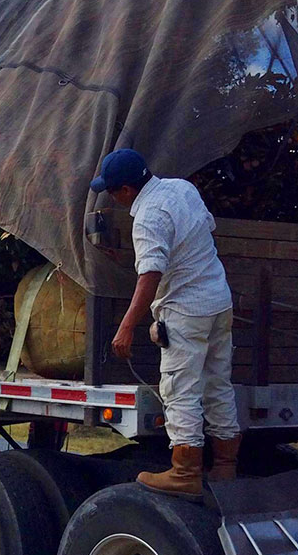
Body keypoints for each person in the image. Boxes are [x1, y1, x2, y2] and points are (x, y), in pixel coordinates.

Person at [90, 148, 242, 501]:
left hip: (186, 311)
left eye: (113, 191)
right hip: (218, 302)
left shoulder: (146, 217)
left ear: (126, 190)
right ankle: (225, 466)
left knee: (179, 390)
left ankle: (185, 473)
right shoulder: (182, 189)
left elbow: (150, 274)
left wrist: (127, 325)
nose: (112, 197)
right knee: (218, 385)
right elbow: (204, 228)